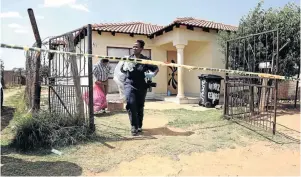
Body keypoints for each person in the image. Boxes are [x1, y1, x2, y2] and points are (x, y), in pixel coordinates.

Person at [121, 40, 159, 136]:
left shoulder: (145, 60)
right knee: (131, 103)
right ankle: (134, 126)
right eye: (133, 46)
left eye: (137, 47)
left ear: (141, 48)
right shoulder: (128, 58)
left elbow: (156, 68)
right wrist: (124, 66)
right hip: (129, 84)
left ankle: (139, 126)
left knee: (139, 106)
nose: (134, 48)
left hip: (142, 86)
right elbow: (121, 69)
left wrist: (152, 75)